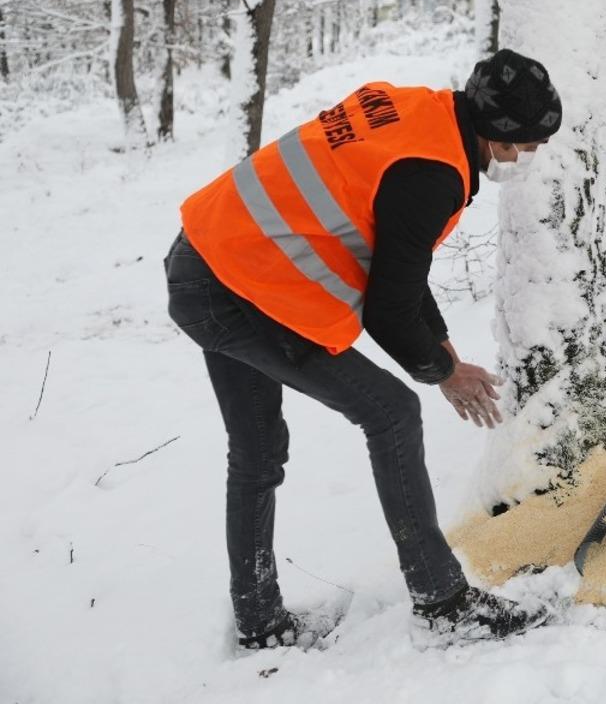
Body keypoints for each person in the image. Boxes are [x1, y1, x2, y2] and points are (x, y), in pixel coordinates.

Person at [163, 49, 562, 647]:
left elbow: (398, 264)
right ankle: (442, 600)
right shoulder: (432, 175)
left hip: (213, 255)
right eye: (523, 146)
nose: (525, 158)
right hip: (238, 292)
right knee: (392, 413)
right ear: (496, 135)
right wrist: (442, 375)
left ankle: (258, 618)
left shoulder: (419, 114)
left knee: (257, 448)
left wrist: (446, 352)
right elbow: (388, 311)